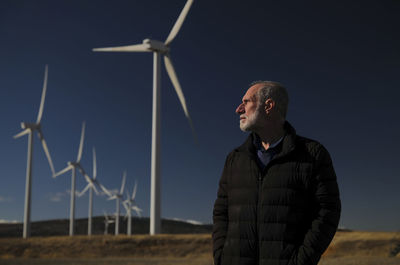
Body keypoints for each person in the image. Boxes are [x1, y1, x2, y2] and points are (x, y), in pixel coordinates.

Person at [212, 81, 341, 265]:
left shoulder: (312, 155)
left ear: (268, 106)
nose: (238, 109)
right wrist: (221, 257)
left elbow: (327, 211)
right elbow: (221, 212)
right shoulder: (234, 159)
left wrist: (301, 261)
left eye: (246, 102)